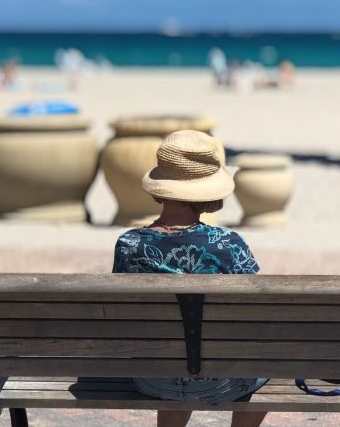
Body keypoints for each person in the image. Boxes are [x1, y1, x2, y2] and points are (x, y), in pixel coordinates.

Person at [112, 130, 268, 427]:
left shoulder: (128, 244)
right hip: (224, 381)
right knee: (267, 355)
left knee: (173, 349)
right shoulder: (229, 244)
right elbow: (256, 311)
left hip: (150, 379)